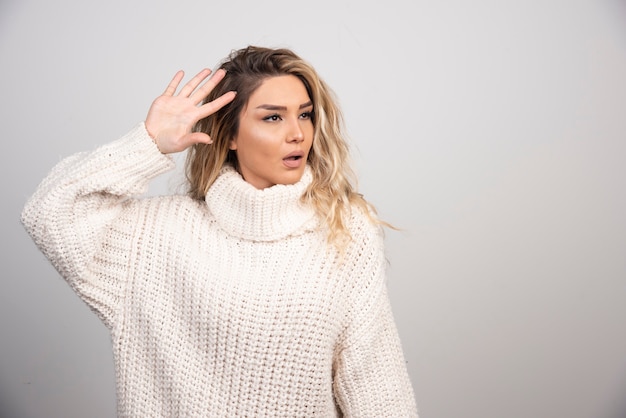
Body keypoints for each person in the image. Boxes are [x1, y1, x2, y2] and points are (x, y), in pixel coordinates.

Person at [21, 46, 418, 417]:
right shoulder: (154, 236)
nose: (297, 133)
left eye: (305, 114)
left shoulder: (345, 226)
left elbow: (375, 382)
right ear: (228, 136)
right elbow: (51, 211)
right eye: (273, 117)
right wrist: (147, 143)